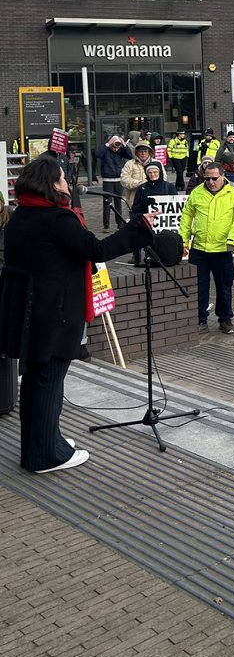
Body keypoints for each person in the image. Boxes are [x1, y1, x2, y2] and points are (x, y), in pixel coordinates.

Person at [0, 153, 156, 472]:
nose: (67, 184)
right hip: (54, 315)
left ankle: (43, 443)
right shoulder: (58, 219)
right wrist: (139, 228)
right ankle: (44, 455)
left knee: (35, 381)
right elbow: (95, 250)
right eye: (61, 179)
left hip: (29, 313)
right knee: (49, 383)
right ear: (51, 184)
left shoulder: (20, 215)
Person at [179, 160, 234, 334]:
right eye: (207, 179)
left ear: (222, 176)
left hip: (222, 249)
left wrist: (231, 239)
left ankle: (225, 319)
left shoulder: (233, 192)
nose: (210, 182)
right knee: (199, 286)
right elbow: (187, 216)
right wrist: (183, 241)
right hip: (199, 249)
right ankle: (200, 320)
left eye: (214, 178)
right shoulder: (197, 192)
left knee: (224, 286)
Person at [130, 159, 175, 265]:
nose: (152, 174)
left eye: (155, 172)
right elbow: (134, 209)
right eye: (150, 173)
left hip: (165, 222)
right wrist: (143, 204)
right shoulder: (142, 188)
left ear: (160, 172)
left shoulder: (169, 187)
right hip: (147, 222)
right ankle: (137, 256)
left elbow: (176, 205)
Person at [94, 134, 131, 229]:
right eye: (114, 144)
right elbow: (97, 154)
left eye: (118, 145)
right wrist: (107, 144)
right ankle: (106, 225)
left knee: (118, 202)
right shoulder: (105, 149)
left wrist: (124, 144)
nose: (116, 147)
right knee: (107, 202)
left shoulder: (120, 150)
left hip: (119, 179)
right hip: (108, 180)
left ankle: (119, 223)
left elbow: (130, 155)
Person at [120, 141, 152, 209]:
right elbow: (123, 179)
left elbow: (163, 178)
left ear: (149, 152)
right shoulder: (129, 164)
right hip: (134, 201)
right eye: (140, 151)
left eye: (145, 151)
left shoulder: (157, 163)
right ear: (136, 153)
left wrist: (151, 185)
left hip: (152, 202)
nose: (143, 153)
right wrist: (138, 184)